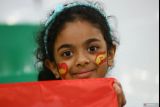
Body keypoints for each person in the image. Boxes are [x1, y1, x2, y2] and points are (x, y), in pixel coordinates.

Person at [36, 0, 126, 106]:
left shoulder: (116, 98)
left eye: (92, 49)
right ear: (53, 67)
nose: (81, 60)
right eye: (67, 53)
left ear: (110, 54)